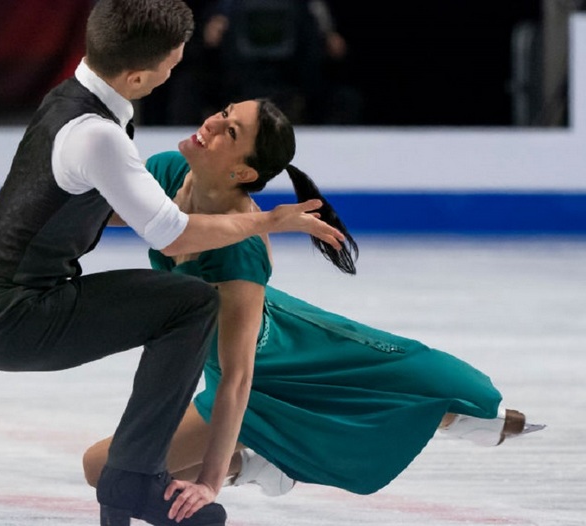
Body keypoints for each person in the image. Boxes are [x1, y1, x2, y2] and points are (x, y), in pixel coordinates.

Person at [0, 2, 348, 526]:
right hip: (8, 312)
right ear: (137, 77)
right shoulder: (100, 135)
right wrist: (267, 222)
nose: (174, 72)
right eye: (170, 65)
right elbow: (172, 235)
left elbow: (90, 209)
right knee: (190, 306)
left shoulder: (71, 96)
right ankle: (134, 475)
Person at [82, 98, 545, 513]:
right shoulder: (167, 172)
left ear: (243, 173)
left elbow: (238, 377)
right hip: (236, 352)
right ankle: (262, 463)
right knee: (112, 471)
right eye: (223, 113)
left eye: (231, 131)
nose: (212, 124)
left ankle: (458, 412)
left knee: (104, 469)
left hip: (265, 367)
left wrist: (209, 484)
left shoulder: (239, 253)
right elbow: (115, 214)